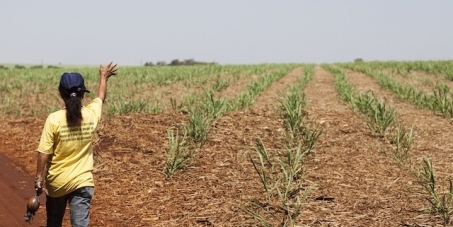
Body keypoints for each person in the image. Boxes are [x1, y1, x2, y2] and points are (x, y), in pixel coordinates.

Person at [35, 62, 118, 227]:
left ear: (61, 94)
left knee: (53, 223)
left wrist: (39, 178)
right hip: (83, 182)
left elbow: (44, 152)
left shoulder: (54, 119)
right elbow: (101, 97)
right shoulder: (91, 115)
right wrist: (103, 77)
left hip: (57, 183)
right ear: (82, 94)